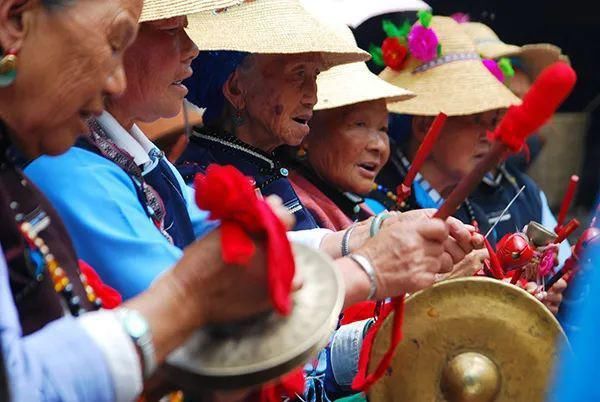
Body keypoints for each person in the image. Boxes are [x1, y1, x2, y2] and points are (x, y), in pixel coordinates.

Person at [22, 0, 479, 398]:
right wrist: (368, 268)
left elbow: (222, 241)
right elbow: (200, 322)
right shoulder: (73, 167)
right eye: (170, 29)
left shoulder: (137, 154)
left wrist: (376, 233)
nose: (192, 49)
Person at [0, 0, 290, 401]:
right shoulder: (64, 170)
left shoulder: (30, 176)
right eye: (116, 41)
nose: (114, 82)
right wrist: (189, 297)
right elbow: (21, 385)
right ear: (16, 21)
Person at [372, 15, 567, 313]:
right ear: (426, 126)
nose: (488, 136)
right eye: (476, 121)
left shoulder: (499, 193)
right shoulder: (376, 203)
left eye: (493, 122)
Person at [461, 22, 571, 269]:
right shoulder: (432, 191)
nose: (519, 115)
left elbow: (559, 265)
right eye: (506, 100)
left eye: (525, 102)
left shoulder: (525, 189)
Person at [287, 25, 414, 231]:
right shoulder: (295, 210)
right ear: (307, 129)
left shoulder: (361, 208)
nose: (380, 146)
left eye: (383, 129)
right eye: (359, 124)